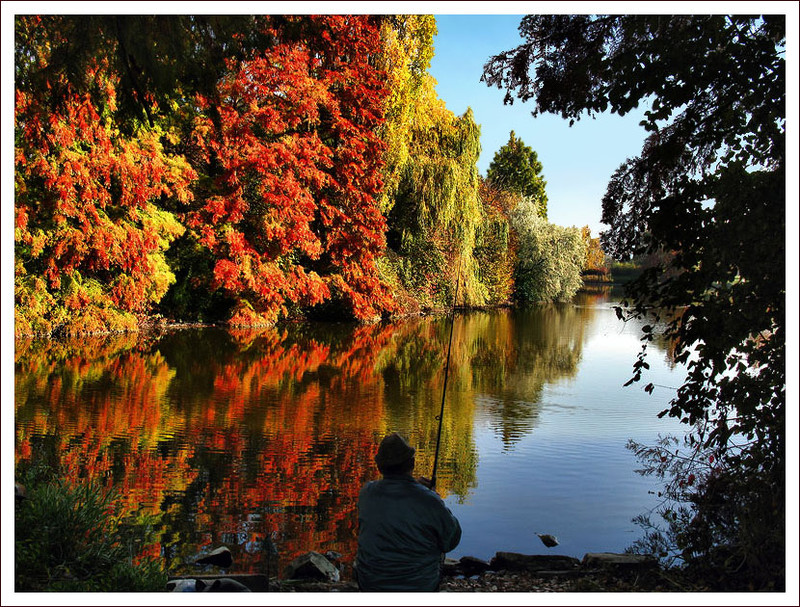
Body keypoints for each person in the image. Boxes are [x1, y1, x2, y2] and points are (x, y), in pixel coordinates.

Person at [355, 432, 462, 592]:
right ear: (412, 463)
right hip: (418, 586)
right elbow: (451, 540)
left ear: (379, 466)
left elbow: (395, 499)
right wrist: (433, 497)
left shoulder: (366, 492)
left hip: (370, 584)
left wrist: (416, 489)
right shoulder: (428, 500)